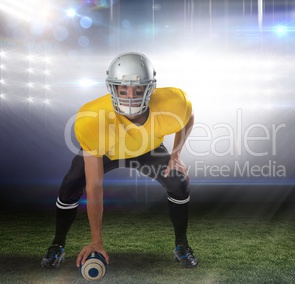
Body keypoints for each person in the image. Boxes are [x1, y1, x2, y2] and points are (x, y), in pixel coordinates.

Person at [41, 52, 198, 269]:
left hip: (147, 147)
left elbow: (187, 117)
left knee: (179, 181)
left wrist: (176, 154)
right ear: (112, 88)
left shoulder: (172, 102)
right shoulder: (92, 118)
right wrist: (97, 240)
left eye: (138, 89)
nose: (130, 96)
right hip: (107, 151)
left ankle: (182, 244)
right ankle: (57, 244)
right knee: (70, 186)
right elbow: (94, 186)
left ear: (150, 88)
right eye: (123, 89)